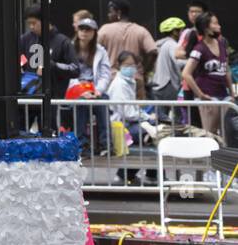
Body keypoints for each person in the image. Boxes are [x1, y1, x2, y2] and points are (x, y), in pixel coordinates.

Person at [106, 51, 157, 184]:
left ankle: (128, 174)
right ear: (119, 65)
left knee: (154, 132)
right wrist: (147, 118)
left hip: (129, 123)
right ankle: (149, 175)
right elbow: (127, 113)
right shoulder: (119, 85)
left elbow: (132, 110)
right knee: (154, 133)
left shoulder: (128, 82)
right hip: (121, 126)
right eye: (126, 65)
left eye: (132, 65)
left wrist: (147, 117)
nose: (130, 68)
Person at [180, 12, 232, 139]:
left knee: (226, 131)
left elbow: (226, 70)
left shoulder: (222, 44)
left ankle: (224, 158)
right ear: (206, 28)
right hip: (208, 95)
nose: (219, 26)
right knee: (210, 133)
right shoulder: (199, 49)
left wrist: (232, 92)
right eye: (215, 23)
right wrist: (200, 95)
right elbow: (186, 73)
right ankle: (209, 158)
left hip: (224, 95)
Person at [69, 15, 111, 153]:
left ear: (94, 33)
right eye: (81, 29)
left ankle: (106, 145)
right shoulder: (69, 48)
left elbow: (106, 73)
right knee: (79, 105)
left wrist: (98, 90)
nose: (84, 32)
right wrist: (81, 91)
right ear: (77, 31)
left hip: (95, 89)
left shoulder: (101, 51)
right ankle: (81, 145)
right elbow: (67, 74)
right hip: (76, 90)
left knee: (103, 102)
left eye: (88, 30)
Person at [98, 0, 157, 95]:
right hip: (136, 80)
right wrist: (145, 71)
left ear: (118, 13)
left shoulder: (104, 30)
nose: (108, 15)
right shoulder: (141, 30)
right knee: (137, 109)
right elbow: (153, 52)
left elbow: (93, 50)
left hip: (111, 80)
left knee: (113, 109)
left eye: (110, 12)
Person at [18, 3, 79, 94]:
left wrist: (52, 65)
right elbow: (20, 58)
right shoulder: (25, 39)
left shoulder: (62, 41)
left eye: (34, 23)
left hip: (53, 98)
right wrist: (21, 66)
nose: (31, 27)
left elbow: (75, 69)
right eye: (29, 23)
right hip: (27, 96)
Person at [152, 17, 188, 129]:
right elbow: (178, 62)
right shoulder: (172, 44)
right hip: (169, 84)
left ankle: (162, 136)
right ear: (174, 31)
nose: (182, 33)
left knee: (162, 116)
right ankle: (176, 136)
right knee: (177, 115)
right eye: (180, 30)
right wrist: (191, 61)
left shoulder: (161, 44)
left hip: (159, 84)